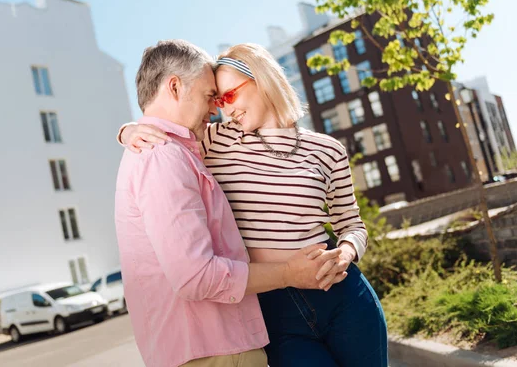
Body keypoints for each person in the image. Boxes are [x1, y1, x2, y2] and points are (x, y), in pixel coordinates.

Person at [119, 42, 389, 367]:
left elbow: (352, 225)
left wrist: (345, 253)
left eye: (229, 96)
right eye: (215, 100)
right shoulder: (215, 139)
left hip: (342, 292)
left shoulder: (327, 149)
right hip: (273, 306)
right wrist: (128, 130)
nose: (222, 109)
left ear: (261, 80)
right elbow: (165, 133)